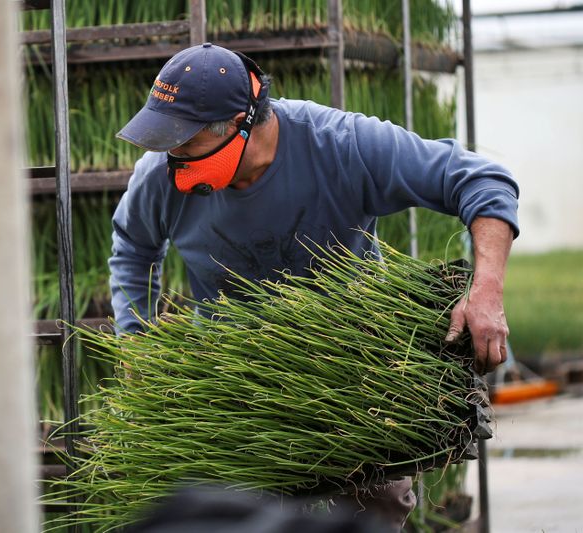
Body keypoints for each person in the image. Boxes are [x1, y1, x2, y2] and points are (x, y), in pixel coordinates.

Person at [108, 43, 518, 531]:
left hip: (362, 371)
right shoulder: (163, 176)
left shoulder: (339, 144)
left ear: (238, 123)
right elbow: (133, 248)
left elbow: (481, 179)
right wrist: (135, 341)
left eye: (183, 141)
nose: (171, 156)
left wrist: (486, 292)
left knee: (379, 506)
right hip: (235, 382)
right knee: (240, 513)